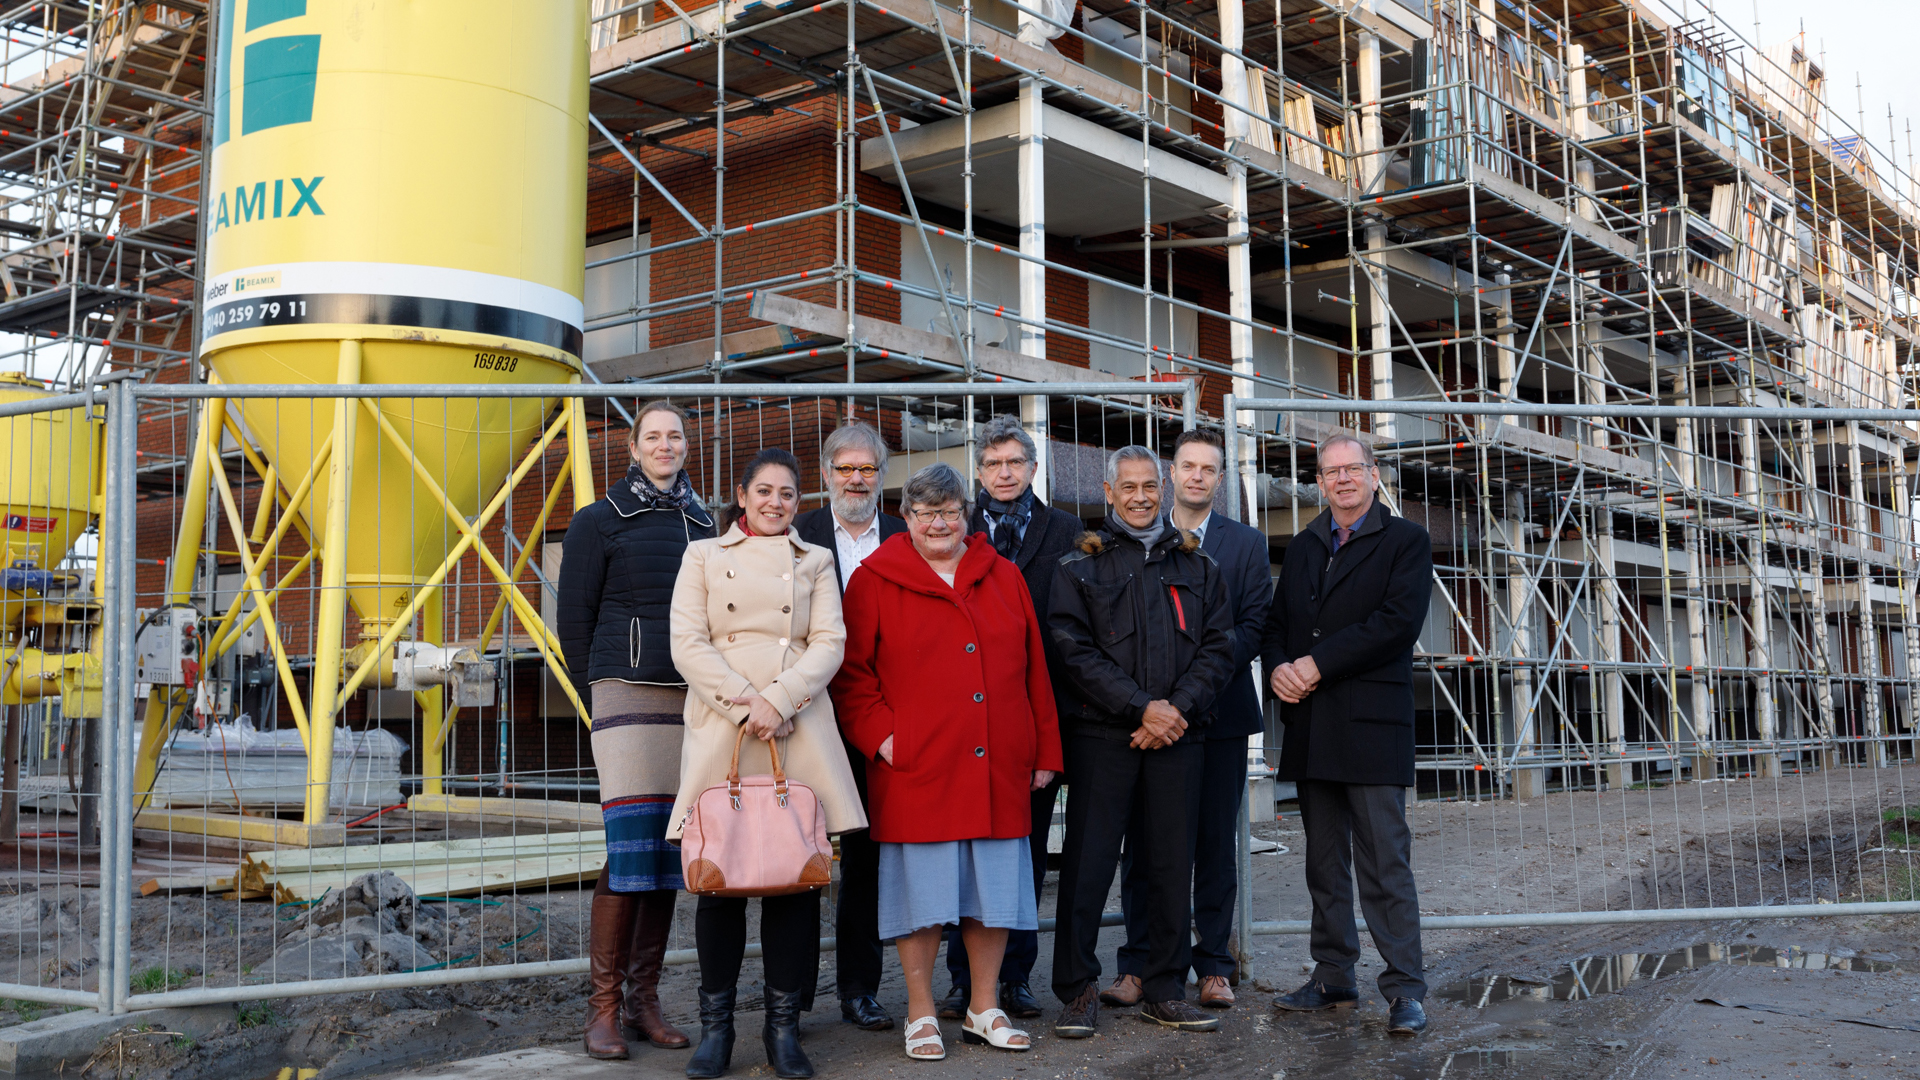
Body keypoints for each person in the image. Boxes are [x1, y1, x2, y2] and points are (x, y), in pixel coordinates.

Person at [832, 462, 1064, 1061]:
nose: (940, 523)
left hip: (997, 763)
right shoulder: (875, 579)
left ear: (968, 514)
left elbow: (1035, 668)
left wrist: (1043, 750)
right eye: (926, 513)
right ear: (904, 519)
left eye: (951, 511)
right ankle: (921, 1012)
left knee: (993, 892)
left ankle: (985, 1008)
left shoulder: (1004, 574)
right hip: (918, 766)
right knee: (923, 897)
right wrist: (886, 739)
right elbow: (852, 679)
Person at [669, 447, 868, 1080]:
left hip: (797, 722)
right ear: (742, 494)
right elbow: (687, 643)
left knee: (795, 882)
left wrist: (779, 700)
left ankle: (785, 1031)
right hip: (725, 726)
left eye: (787, 493)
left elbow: (830, 641)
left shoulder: (816, 560)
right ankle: (716, 1032)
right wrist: (744, 704)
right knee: (719, 880)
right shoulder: (703, 555)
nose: (775, 502)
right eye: (764, 491)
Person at [1047, 445, 1235, 1037]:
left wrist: (1174, 710)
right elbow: (1072, 651)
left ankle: (1163, 987)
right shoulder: (1078, 567)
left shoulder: (1198, 567)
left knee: (1169, 863)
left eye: (1149, 485)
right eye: (1126, 486)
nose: (1139, 496)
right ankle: (1077, 991)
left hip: (1179, 737)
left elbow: (1218, 648)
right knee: (1088, 865)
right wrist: (1140, 707)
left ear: (1164, 489)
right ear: (1108, 493)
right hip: (1105, 737)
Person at [1261, 433, 1433, 1037]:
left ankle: (1405, 989)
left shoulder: (1406, 539)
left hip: (1370, 728)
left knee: (1385, 864)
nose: (1341, 480)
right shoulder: (1307, 543)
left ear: (1374, 473)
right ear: (1320, 480)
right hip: (1312, 727)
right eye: (1330, 472)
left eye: (1352, 469)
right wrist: (1280, 664)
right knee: (1324, 863)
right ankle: (1333, 975)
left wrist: (1315, 664)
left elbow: (1395, 624)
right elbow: (1278, 620)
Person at [557, 399, 712, 1059]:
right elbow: (574, 619)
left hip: (693, 701)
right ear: (632, 446)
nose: (665, 445)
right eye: (653, 436)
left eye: (675, 435)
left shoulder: (705, 521)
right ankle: (603, 1008)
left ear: (685, 444)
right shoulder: (599, 520)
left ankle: (645, 1000)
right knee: (628, 847)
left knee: (667, 851)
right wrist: (599, 692)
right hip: (624, 691)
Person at [1109, 429, 1271, 1010]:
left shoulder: (1247, 545)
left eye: (1209, 468)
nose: (1197, 476)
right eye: (1187, 466)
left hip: (1218, 716)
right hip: (1147, 721)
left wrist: (1187, 694)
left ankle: (1213, 966)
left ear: (1219, 479)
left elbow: (1251, 628)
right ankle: (1139, 963)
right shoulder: (1139, 537)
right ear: (1170, 474)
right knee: (1144, 843)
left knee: (1213, 844)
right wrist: (1157, 706)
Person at [940, 414, 1083, 1023]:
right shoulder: (952, 526)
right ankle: (960, 981)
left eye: (1015, 463)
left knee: (1022, 849)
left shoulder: (1068, 531)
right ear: (979, 470)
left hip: (1033, 712)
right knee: (957, 852)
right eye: (993, 463)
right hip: (960, 716)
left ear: (1032, 468)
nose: (1004, 473)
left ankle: (1016, 977)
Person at [792, 421, 907, 1032]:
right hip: (808, 717)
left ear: (880, 477)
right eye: (845, 470)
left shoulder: (905, 534)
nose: (856, 480)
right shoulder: (798, 532)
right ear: (827, 475)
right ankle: (796, 997)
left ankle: (860, 989)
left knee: (866, 860)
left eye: (866, 470)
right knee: (803, 854)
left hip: (880, 721)